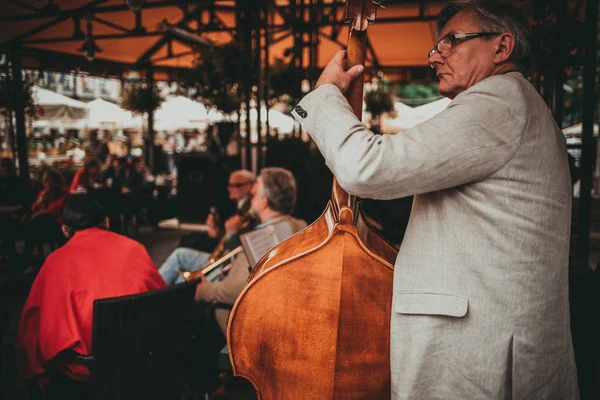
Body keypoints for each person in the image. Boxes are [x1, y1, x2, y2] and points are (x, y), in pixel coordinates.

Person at [290, 1, 578, 398]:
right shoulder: (516, 102)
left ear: (502, 47)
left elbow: (366, 167)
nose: (433, 56)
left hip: (475, 352)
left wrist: (324, 96)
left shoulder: (499, 101)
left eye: (451, 42)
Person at [18, 196, 166, 394]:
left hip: (86, 367)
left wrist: (37, 371)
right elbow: (160, 297)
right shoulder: (135, 249)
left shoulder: (55, 262)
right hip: (139, 356)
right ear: (106, 221)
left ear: (65, 230)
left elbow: (33, 322)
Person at [185, 167, 306, 392]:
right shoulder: (302, 226)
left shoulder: (260, 237)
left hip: (259, 325)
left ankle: (211, 385)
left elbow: (233, 292)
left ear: (264, 202)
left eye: (255, 192)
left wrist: (202, 290)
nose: (251, 196)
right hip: (288, 316)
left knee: (202, 311)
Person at [178, 169, 256, 254]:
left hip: (230, 251)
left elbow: (238, 238)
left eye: (235, 185)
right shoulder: (234, 204)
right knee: (187, 240)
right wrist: (216, 225)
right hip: (225, 244)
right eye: (229, 185)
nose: (230, 189)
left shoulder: (249, 209)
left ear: (248, 187)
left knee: (184, 249)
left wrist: (217, 234)